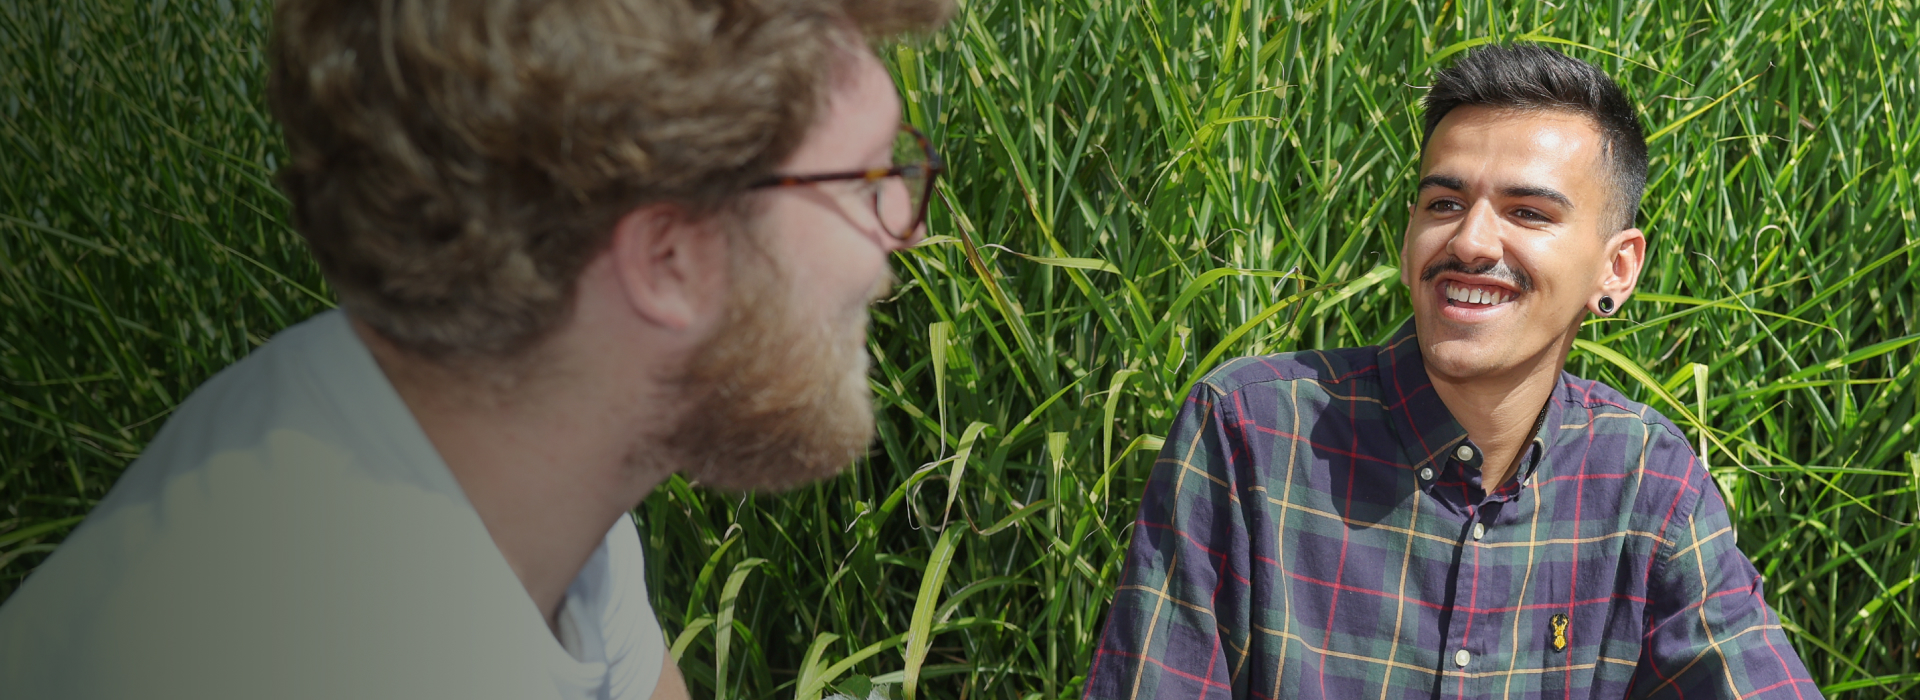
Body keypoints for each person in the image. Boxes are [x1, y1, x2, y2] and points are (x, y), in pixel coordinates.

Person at [0, 0, 949, 697]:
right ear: (668, 259)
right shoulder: (292, 651)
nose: (905, 222)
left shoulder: (510, 449)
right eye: (867, 180)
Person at [1085, 45, 1821, 700]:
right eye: (1445, 202)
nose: (1469, 241)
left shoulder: (1646, 485)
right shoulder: (1250, 434)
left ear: (1617, 267)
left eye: (1528, 213)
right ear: (1409, 235)